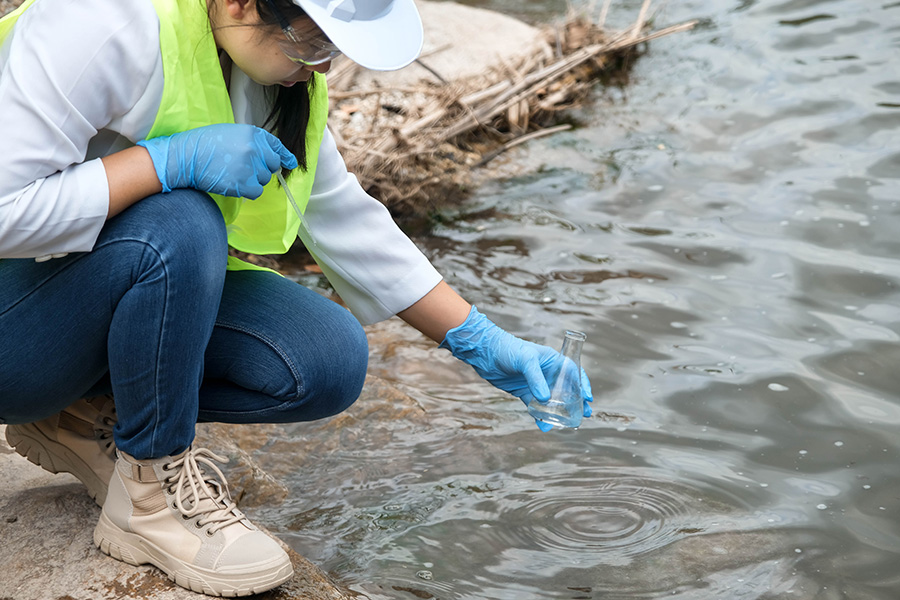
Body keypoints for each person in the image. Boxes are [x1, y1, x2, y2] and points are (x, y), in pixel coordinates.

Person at [0, 0, 594, 595]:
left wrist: (481, 341)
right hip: (13, 327)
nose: (325, 69)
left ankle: (76, 418)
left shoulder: (273, 71)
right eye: (313, 46)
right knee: (181, 221)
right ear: (239, 3)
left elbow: (344, 219)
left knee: (324, 358)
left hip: (85, 290)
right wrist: (162, 163)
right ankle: (151, 498)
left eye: (332, 50)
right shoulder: (103, 22)